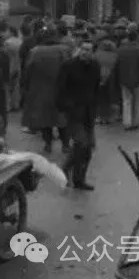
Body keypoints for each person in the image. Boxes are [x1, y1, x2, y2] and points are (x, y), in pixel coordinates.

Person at [55, 40, 101, 191]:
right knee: (82, 143)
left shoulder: (95, 66)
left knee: (86, 149)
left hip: (88, 111)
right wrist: (66, 106)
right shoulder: (68, 66)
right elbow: (60, 88)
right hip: (73, 112)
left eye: (88, 49)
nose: (84, 52)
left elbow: (95, 87)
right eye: (82, 48)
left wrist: (95, 106)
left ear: (92, 52)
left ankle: (78, 178)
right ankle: (67, 170)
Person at [21, 28, 70, 152]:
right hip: (61, 89)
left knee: (45, 119)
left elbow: (28, 71)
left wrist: (26, 86)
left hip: (40, 90)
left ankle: (48, 144)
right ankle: (65, 145)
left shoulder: (35, 51)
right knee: (62, 119)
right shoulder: (64, 50)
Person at [115, 32, 139, 130]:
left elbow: (116, 65)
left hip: (124, 79)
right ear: (137, 38)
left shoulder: (120, 50)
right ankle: (135, 122)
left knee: (126, 101)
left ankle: (127, 122)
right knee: (138, 101)